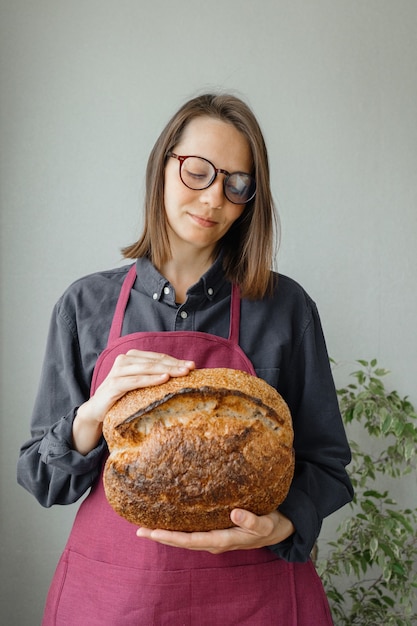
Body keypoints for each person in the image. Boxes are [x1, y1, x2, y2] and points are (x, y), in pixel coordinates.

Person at [17, 92, 353, 625]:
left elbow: (328, 466)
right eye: (197, 171)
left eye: (236, 184)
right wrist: (94, 413)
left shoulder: (286, 308)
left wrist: (285, 524)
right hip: (116, 596)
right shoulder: (85, 306)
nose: (214, 198)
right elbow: (42, 477)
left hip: (254, 594)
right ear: (164, 166)